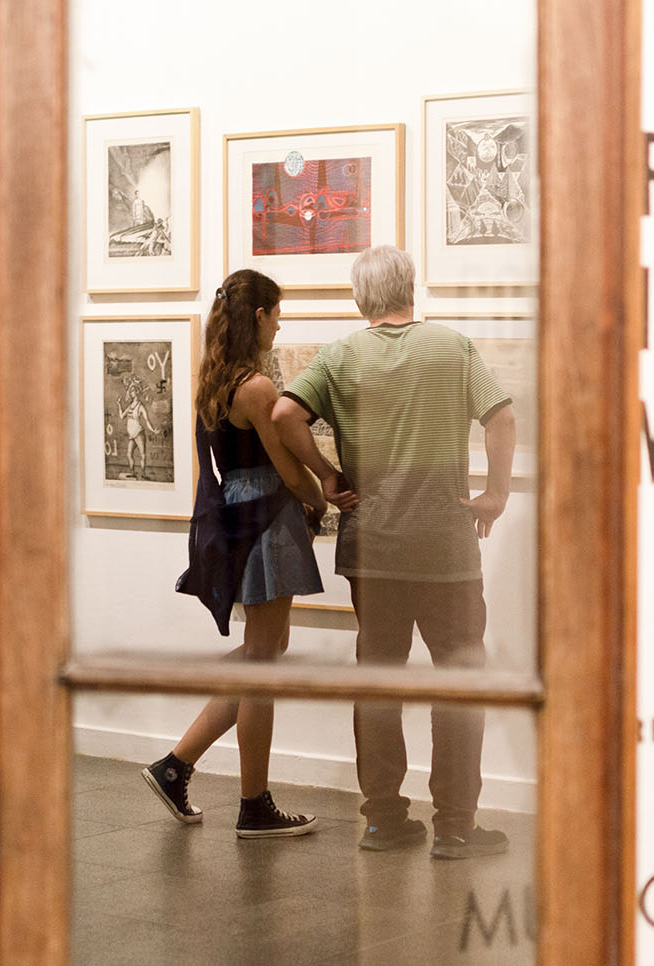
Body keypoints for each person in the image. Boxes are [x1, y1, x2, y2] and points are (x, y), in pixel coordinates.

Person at [271, 244, 517, 860]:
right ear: (412, 290)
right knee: (459, 681)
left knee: (378, 679)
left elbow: (283, 413)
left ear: (361, 299)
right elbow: (502, 417)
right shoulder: (452, 347)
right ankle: (455, 826)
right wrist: (495, 495)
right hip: (445, 548)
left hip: (373, 548)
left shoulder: (338, 355)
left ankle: (383, 821)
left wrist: (328, 474)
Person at [143, 269, 328, 839]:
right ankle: (254, 805)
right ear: (259, 316)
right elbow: (287, 470)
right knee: (262, 668)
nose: (280, 326)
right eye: (277, 315)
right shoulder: (257, 388)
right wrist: (323, 495)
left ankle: (175, 767)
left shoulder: (214, 381)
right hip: (266, 518)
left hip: (239, 514)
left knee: (263, 654)